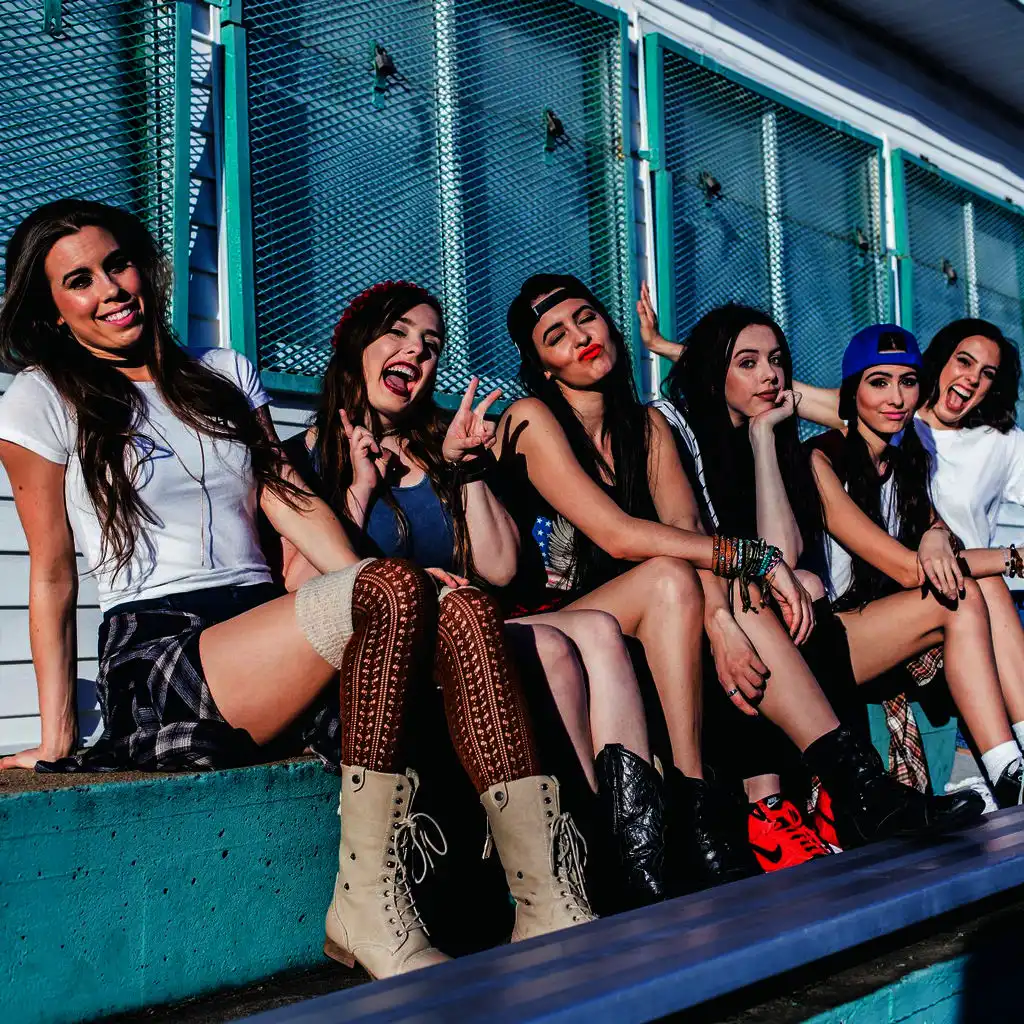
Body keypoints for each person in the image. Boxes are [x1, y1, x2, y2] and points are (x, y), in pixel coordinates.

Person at [0, 201, 590, 982]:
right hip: (164, 650)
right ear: (52, 309)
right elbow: (51, 569)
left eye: (117, 264)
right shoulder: (42, 396)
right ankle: (367, 903)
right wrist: (57, 737)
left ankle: (549, 899)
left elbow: (289, 500)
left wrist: (390, 587)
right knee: (393, 587)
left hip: (263, 625)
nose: (109, 289)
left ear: (143, 266)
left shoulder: (223, 374)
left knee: (467, 608)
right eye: (79, 281)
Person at [497, 273, 983, 878]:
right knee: (681, 576)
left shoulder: (646, 427)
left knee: (720, 585)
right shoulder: (530, 417)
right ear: (543, 367)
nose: (579, 337)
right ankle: (718, 804)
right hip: (552, 621)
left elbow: (689, 531)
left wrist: (723, 618)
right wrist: (753, 560)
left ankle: (858, 787)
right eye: (556, 336)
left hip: (649, 607)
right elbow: (618, 534)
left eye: (585, 318)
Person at [280, 279, 664, 911]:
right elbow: (299, 585)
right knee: (558, 649)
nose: (416, 352)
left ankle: (622, 853)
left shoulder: (438, 444)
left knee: (597, 629)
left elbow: (502, 567)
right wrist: (361, 487)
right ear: (354, 345)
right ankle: (569, 868)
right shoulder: (308, 455)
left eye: (430, 345)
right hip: (388, 656)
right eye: (398, 334)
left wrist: (467, 471)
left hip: (468, 631)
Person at [654, 303, 869, 870]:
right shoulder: (675, 435)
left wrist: (764, 438)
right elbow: (690, 542)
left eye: (776, 361)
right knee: (760, 592)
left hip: (761, 606)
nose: (770, 375)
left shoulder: (770, 442)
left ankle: (835, 798)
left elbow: (783, 554)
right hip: (692, 609)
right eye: (747, 363)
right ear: (713, 372)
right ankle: (767, 806)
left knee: (803, 585)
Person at [801, 323, 1024, 808]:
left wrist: (938, 534)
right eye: (879, 382)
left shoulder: (907, 464)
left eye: (907, 382)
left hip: (875, 623)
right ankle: (1004, 767)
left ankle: (1011, 766)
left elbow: (940, 538)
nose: (896, 397)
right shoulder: (819, 460)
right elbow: (907, 570)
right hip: (820, 640)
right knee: (965, 590)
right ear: (851, 392)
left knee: (980, 586)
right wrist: (1013, 559)